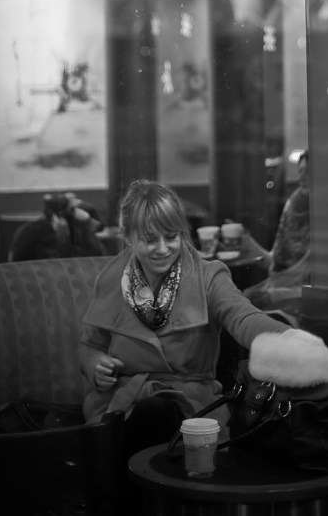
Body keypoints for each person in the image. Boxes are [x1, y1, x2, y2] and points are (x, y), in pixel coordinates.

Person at [77, 179, 294, 458]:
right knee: (135, 420)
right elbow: (89, 345)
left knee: (154, 413)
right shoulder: (110, 279)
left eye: (171, 236)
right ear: (128, 237)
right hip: (120, 398)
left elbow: (243, 316)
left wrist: (288, 340)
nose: (163, 248)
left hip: (189, 401)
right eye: (150, 239)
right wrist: (95, 364)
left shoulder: (207, 275)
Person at [242, 150, 310, 317]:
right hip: (278, 290)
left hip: (303, 305)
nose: (302, 177)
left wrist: (273, 295)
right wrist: (245, 241)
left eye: (309, 172)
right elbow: (276, 262)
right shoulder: (292, 206)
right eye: (300, 171)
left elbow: (320, 288)